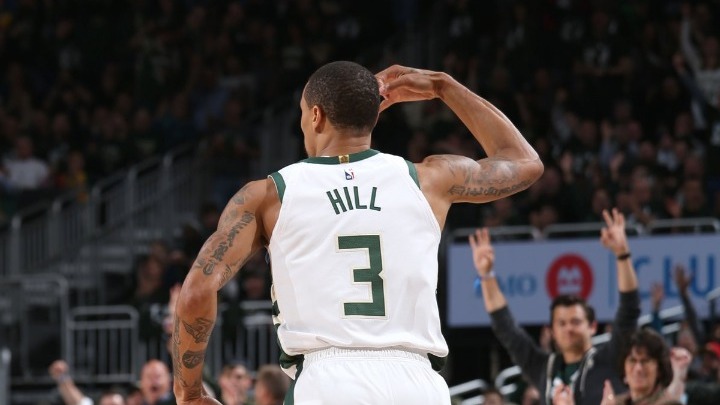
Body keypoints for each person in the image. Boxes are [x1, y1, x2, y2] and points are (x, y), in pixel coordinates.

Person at [172, 61, 543, 404]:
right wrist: (443, 86)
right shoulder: (428, 179)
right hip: (418, 383)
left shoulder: (269, 195)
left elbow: (196, 291)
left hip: (327, 381)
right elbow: (524, 162)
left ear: (315, 116)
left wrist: (189, 393)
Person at [470, 208, 640, 405]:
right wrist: (487, 275)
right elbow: (505, 327)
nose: (569, 328)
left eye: (576, 321)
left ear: (592, 326)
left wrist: (622, 255)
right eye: (562, 323)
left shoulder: (610, 359)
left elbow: (629, 310)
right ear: (551, 331)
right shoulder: (543, 368)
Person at [552, 329, 692, 405]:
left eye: (645, 361)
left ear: (659, 369)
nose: (638, 368)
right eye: (632, 360)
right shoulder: (616, 402)